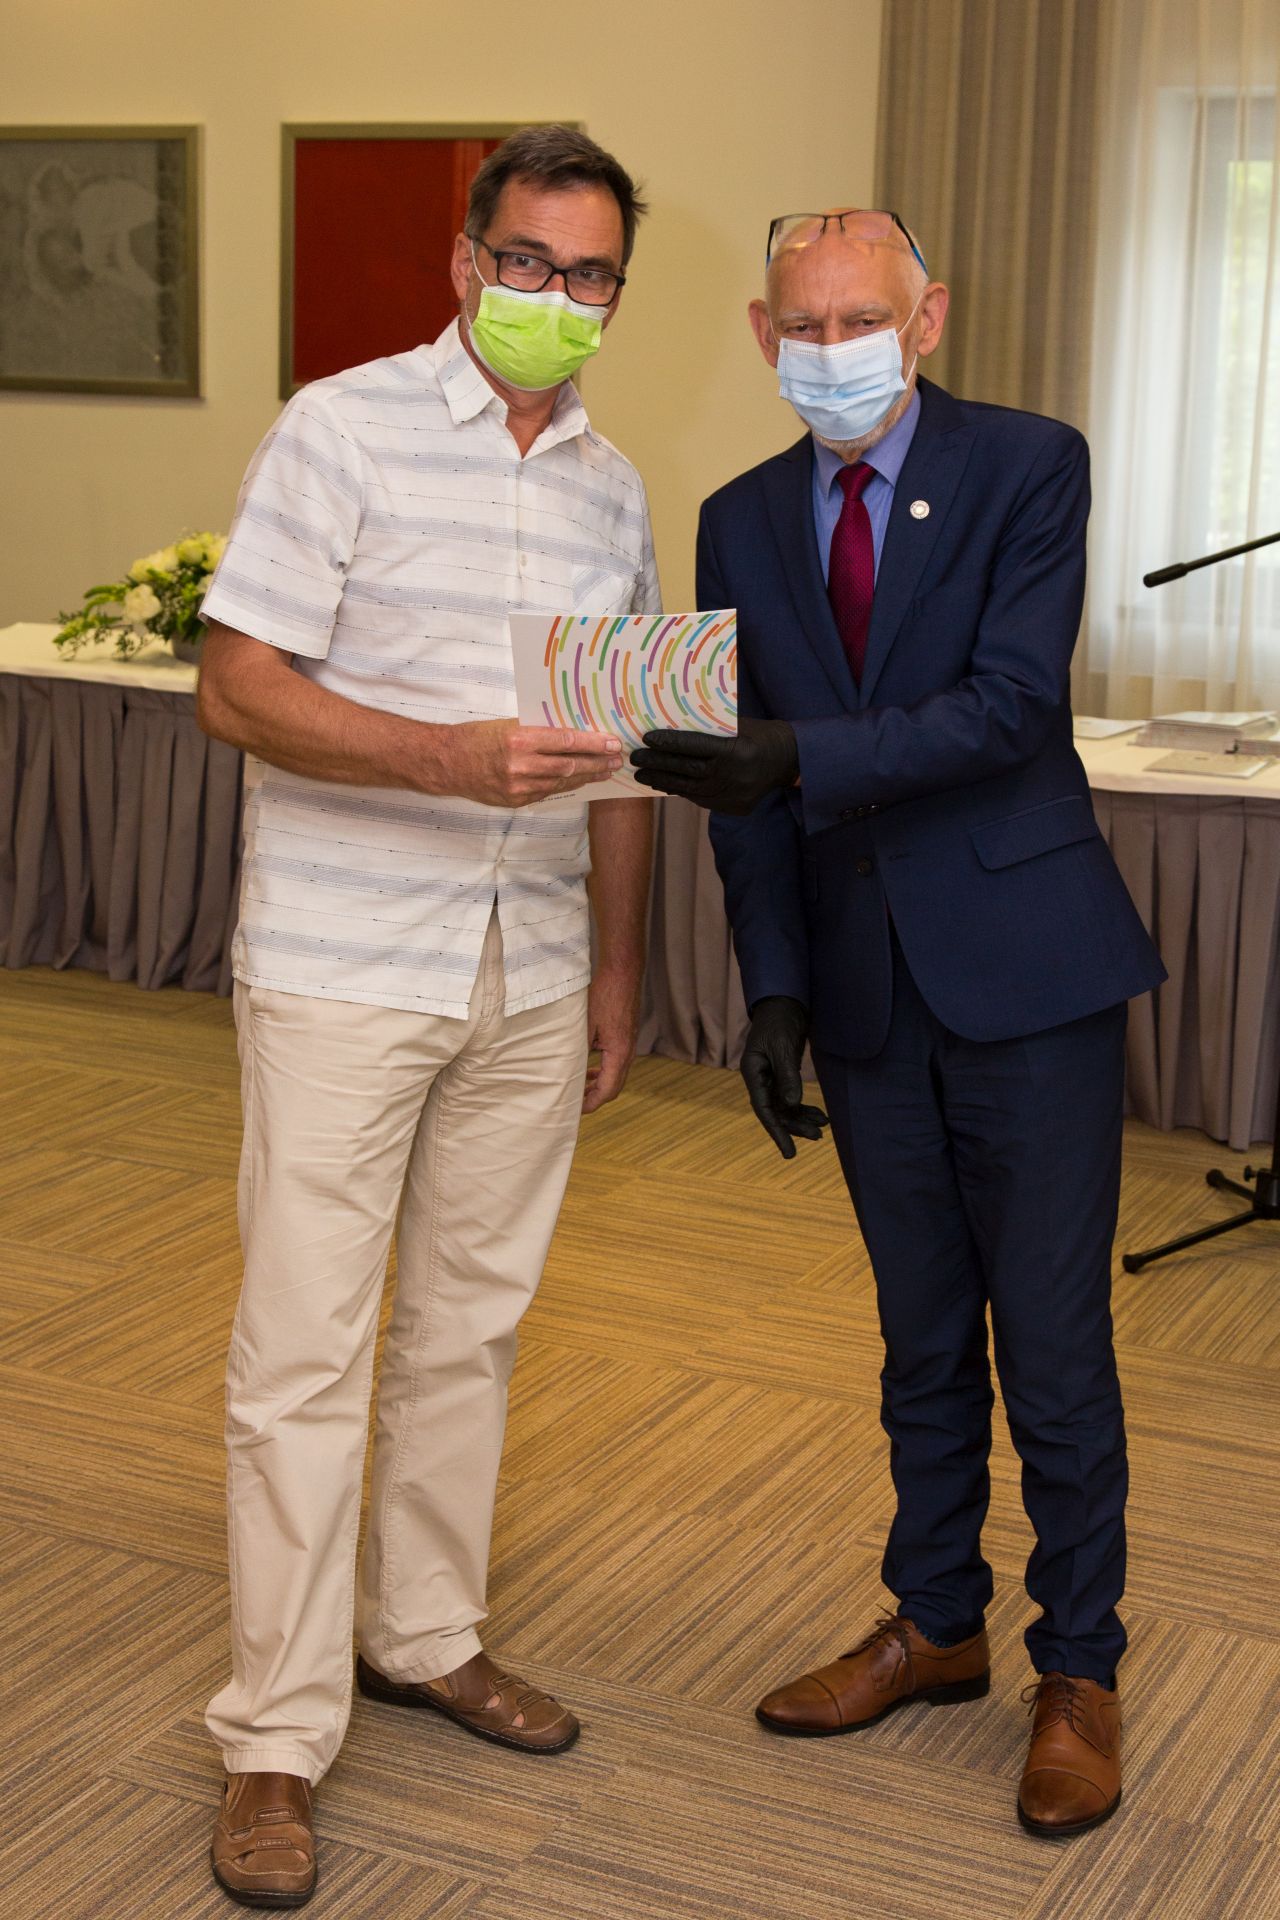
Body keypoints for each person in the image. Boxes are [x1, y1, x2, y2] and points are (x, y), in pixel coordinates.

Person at [632, 208, 1164, 1838]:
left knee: (1052, 1350)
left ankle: (1077, 1668)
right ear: (761, 331)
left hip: (1029, 977)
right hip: (865, 994)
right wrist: (773, 987)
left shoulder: (1030, 465)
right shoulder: (736, 517)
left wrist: (801, 756)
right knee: (920, 1338)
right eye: (804, 324)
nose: (833, 349)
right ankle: (937, 1624)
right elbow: (733, 781)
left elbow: (1012, 706)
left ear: (926, 318)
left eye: (862, 318)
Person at [197, 125, 657, 1908]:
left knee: (471, 1324)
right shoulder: (340, 428)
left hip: (530, 967)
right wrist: (440, 760)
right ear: (467, 263)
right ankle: (273, 1731)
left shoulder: (616, 490)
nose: (556, 296)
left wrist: (618, 969)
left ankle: (424, 1633)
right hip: (343, 959)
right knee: (304, 1355)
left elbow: (622, 756)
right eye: (528, 262)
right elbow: (239, 688)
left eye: (591, 274)